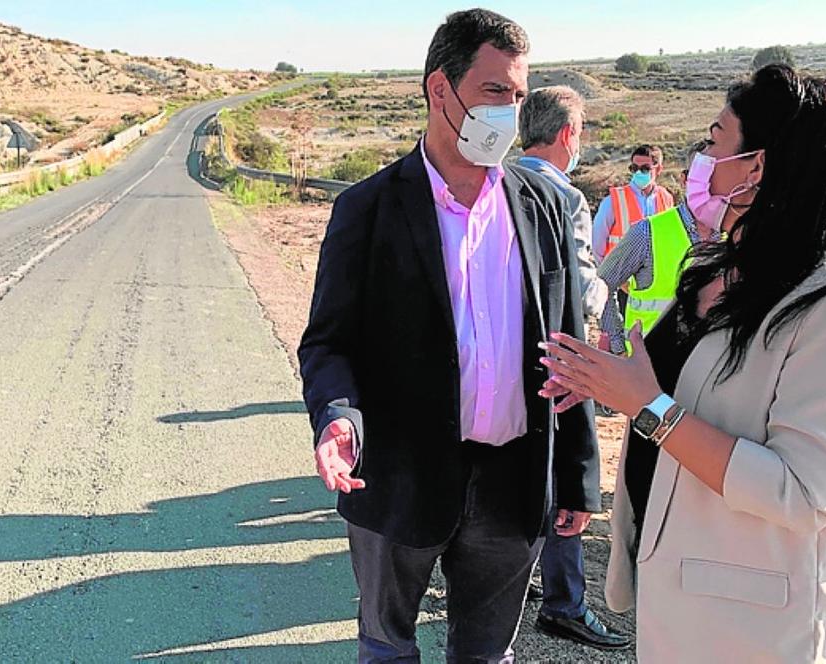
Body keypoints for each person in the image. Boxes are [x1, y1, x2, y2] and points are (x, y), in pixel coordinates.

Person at [540, 65, 826, 661]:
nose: (701, 158)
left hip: (761, 626)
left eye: (714, 141)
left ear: (759, 166)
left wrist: (649, 406)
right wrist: (605, 374)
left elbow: (805, 491)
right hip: (680, 586)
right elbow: (691, 392)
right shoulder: (716, 268)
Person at [297, 9, 601, 662]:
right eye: (495, 92)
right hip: (399, 479)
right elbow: (327, 343)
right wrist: (339, 417)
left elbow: (569, 343)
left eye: (518, 97)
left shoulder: (543, 205)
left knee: (488, 656)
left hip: (513, 482)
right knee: (387, 646)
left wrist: (575, 476)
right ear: (441, 90)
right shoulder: (368, 209)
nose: (510, 113)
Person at [514, 86, 627, 651]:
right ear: (566, 136)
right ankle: (565, 603)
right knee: (563, 481)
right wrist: (606, 287)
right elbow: (581, 291)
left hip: (500, 361)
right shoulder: (565, 198)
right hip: (555, 361)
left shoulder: (496, 184)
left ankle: (524, 582)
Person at [596, 141, 719, 357]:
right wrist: (618, 347)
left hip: (706, 366)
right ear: (685, 179)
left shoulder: (734, 236)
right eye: (635, 168)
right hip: (650, 364)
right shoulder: (644, 230)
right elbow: (602, 280)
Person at [592, 144, 675, 262]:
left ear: (659, 169)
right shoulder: (613, 200)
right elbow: (597, 245)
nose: (639, 173)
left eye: (645, 169)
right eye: (634, 168)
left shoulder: (666, 198)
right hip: (620, 277)